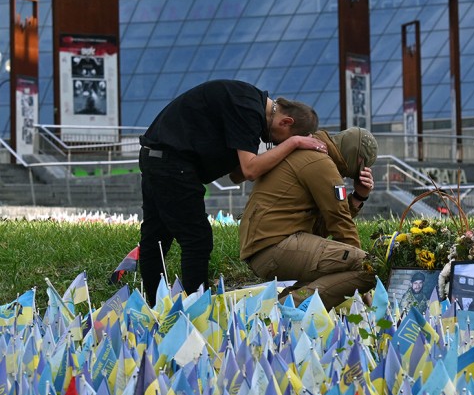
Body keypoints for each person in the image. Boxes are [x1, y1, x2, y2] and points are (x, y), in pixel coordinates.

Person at [138, 79, 324, 305]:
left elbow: (236, 174)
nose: (275, 145)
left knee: (156, 238)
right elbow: (249, 169)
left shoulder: (247, 103)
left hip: (157, 156)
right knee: (196, 239)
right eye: (279, 141)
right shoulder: (247, 109)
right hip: (172, 162)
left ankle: (153, 304)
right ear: (286, 122)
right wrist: (293, 143)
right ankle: (198, 309)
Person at [238, 126, 378, 309]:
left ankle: (279, 306)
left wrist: (358, 197)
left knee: (340, 266)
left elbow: (319, 231)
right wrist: (363, 275)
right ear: (359, 161)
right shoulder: (321, 162)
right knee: (369, 266)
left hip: (266, 247)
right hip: (274, 246)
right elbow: (341, 223)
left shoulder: (315, 156)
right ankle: (284, 312)